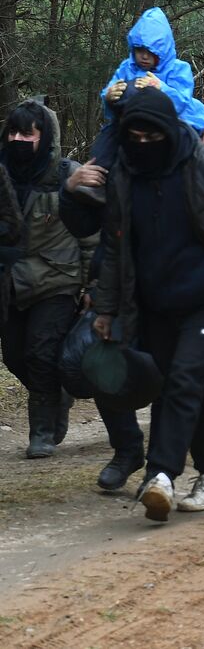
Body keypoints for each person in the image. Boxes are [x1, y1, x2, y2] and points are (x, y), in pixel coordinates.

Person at [93, 89, 204, 522]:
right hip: (154, 304)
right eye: (134, 136)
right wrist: (106, 308)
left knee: (183, 379)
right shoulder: (124, 176)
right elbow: (115, 247)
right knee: (176, 386)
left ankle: (160, 475)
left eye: (151, 136)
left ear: (170, 131)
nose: (142, 144)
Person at [0, 100, 83, 459]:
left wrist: (95, 286)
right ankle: (57, 396)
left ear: (45, 137)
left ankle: (42, 432)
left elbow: (92, 234)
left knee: (41, 353)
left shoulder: (67, 176)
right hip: (11, 283)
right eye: (13, 133)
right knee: (13, 356)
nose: (18, 140)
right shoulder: (1, 173)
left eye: (27, 134)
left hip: (56, 279)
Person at [58, 156, 145, 490]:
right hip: (115, 283)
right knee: (105, 368)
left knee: (173, 375)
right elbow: (85, 227)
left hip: (172, 285)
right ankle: (127, 451)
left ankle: (166, 466)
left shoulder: (191, 165)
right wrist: (70, 191)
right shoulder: (112, 159)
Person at [78, 8, 204, 204]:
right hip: (128, 122)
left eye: (151, 52)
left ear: (163, 51)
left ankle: (194, 188)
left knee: (187, 154)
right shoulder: (127, 67)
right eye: (140, 50)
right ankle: (97, 186)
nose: (144, 57)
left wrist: (161, 88)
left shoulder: (178, 69)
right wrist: (109, 95)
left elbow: (183, 101)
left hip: (170, 125)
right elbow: (112, 91)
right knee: (105, 144)